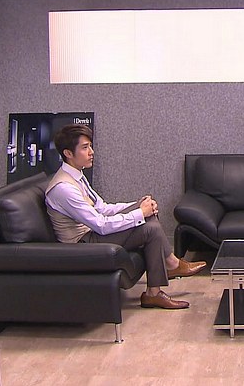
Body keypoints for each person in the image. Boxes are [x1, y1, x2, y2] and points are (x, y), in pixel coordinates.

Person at [44, 124, 206, 310]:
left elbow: (102, 208)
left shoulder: (76, 175)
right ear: (68, 153)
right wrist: (139, 213)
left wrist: (137, 205)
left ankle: (163, 277)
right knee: (150, 228)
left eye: (90, 146)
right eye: (85, 147)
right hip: (81, 243)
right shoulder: (64, 188)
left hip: (91, 232)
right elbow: (100, 225)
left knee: (148, 212)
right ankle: (167, 271)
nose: (92, 152)